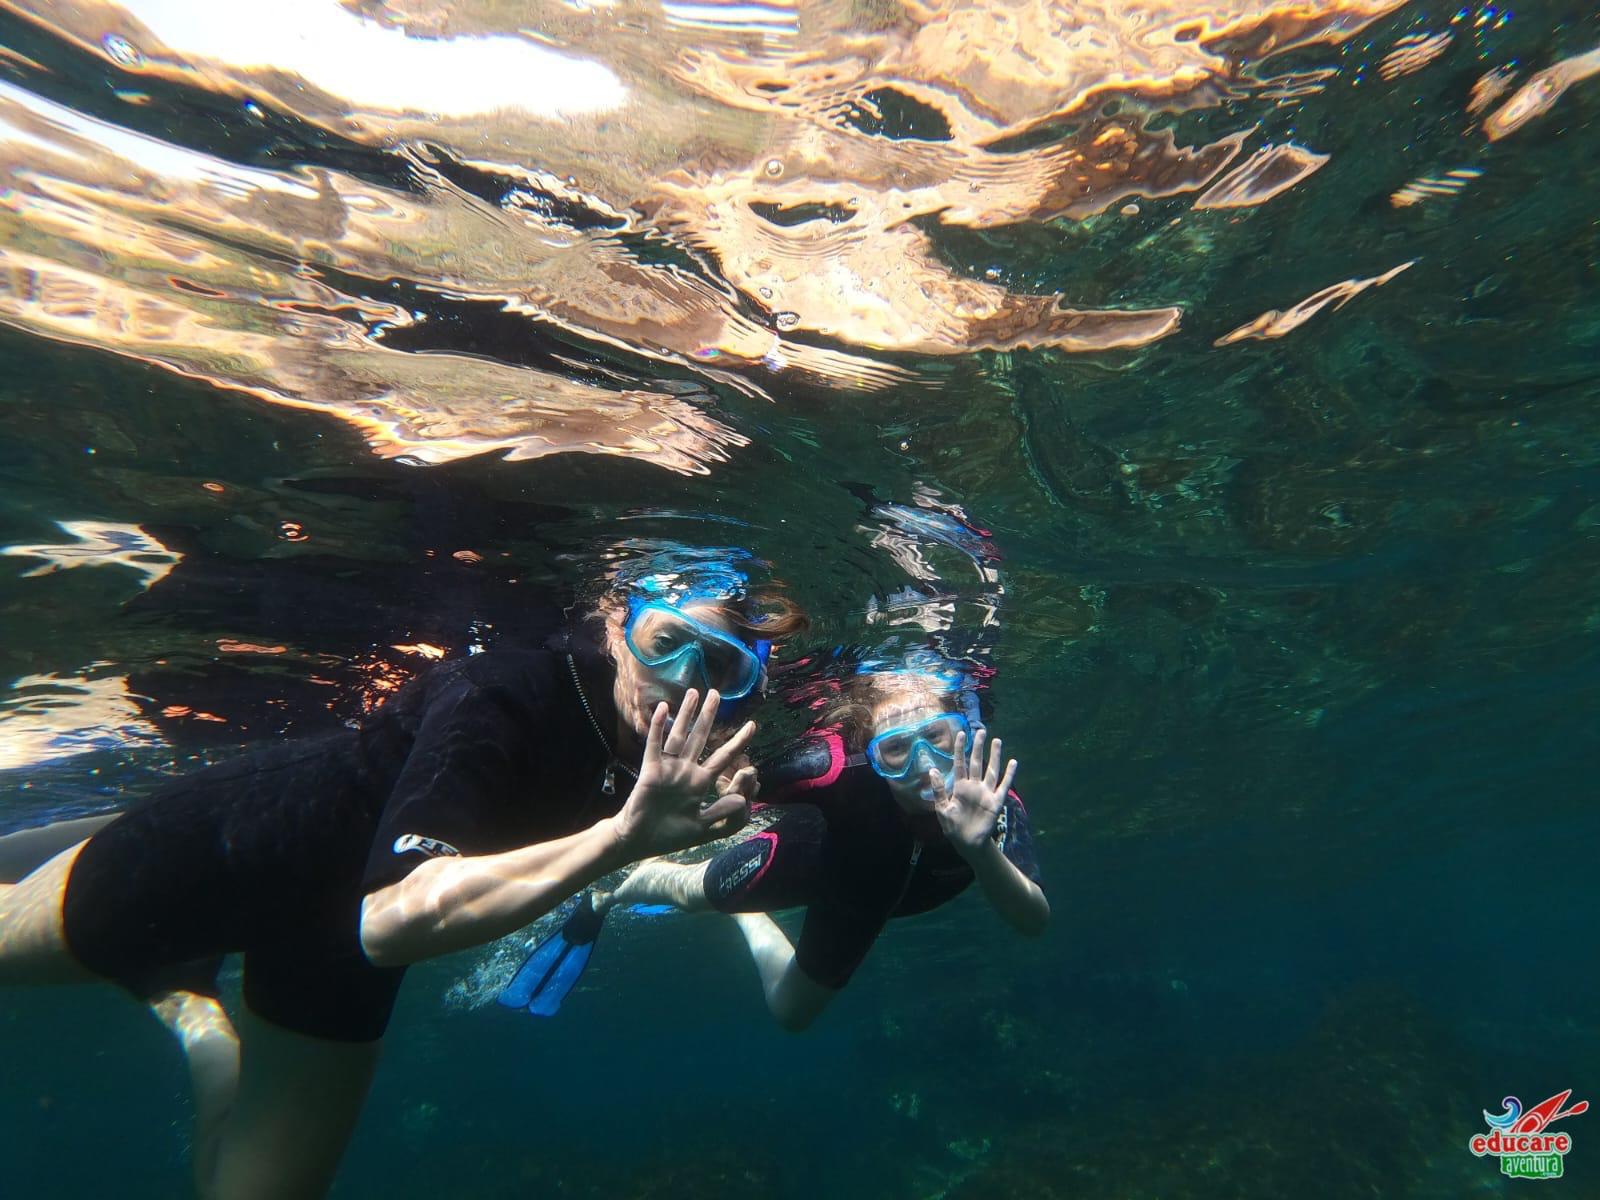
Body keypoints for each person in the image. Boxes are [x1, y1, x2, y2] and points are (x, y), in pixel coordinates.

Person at [0, 550, 804, 1199]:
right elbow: (391, 921)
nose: (684, 680)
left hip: (335, 953)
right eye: (664, 643)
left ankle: (187, 1002)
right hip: (227, 853)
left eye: (720, 667)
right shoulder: (502, 692)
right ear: (614, 623)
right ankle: (102, 862)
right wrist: (623, 838)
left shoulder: (661, 764)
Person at [501, 663, 1048, 1031]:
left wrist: (980, 850)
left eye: (939, 739)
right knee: (697, 899)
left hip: (891, 893)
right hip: (815, 868)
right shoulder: (831, 769)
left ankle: (729, 907)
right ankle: (607, 898)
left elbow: (1033, 920)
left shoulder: (992, 801)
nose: (925, 767)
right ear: (871, 756)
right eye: (897, 751)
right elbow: (733, 779)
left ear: (964, 731)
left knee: (792, 1016)